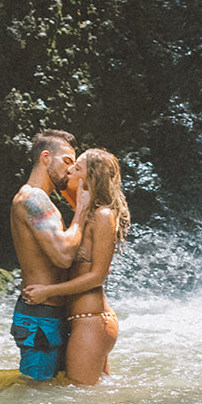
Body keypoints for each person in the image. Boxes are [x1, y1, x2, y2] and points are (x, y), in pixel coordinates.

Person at [22, 147, 129, 385]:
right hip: (84, 321)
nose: (69, 170)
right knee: (96, 396)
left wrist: (48, 292)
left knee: (82, 399)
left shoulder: (102, 216)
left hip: (92, 321)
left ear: (91, 178)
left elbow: (97, 277)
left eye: (77, 168)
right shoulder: (85, 213)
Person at [9, 129, 91, 381]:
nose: (70, 170)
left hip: (49, 313)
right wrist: (82, 210)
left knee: (51, 395)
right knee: (35, 397)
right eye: (67, 161)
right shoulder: (33, 199)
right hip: (39, 319)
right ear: (46, 157)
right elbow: (63, 256)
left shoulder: (43, 198)